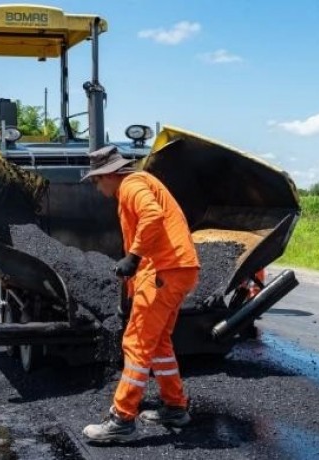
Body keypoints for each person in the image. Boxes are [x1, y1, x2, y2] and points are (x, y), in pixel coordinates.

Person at [80, 145, 200, 443]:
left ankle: (122, 419)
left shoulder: (132, 184)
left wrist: (132, 257)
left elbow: (152, 216)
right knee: (158, 342)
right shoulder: (141, 183)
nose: (97, 187)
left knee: (136, 344)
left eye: (97, 180)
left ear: (110, 174)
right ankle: (174, 407)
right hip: (177, 269)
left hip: (164, 270)